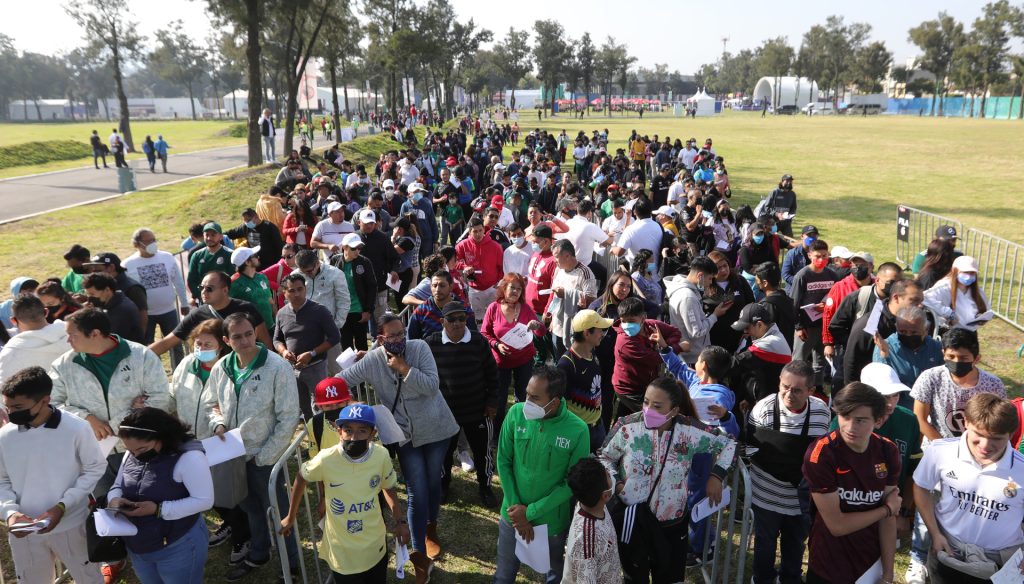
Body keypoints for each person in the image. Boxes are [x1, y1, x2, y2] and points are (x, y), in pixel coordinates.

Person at [340, 313, 458, 580]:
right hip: (404, 436)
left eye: (400, 333)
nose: (398, 339)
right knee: (416, 490)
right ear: (380, 338)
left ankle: (431, 527)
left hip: (436, 429)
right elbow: (342, 380)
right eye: (391, 335)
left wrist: (405, 368)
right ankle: (419, 555)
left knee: (432, 483)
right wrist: (345, 404)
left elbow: (432, 385)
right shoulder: (372, 360)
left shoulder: (419, 348)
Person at [599, 375, 735, 584]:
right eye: (646, 402)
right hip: (634, 521)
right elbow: (604, 457)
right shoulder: (627, 426)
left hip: (673, 522)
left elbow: (729, 444)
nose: (648, 410)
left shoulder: (690, 431)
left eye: (657, 406)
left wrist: (716, 476)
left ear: (674, 410)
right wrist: (617, 484)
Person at [207, 313, 301, 581]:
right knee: (250, 510)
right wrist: (217, 424)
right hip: (233, 455)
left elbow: (288, 416)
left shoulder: (276, 367)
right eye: (237, 336)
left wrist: (265, 457)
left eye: (249, 333)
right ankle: (259, 553)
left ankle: (292, 565)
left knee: (280, 514)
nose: (246, 340)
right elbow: (212, 403)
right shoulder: (221, 367)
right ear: (226, 340)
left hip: (265, 458)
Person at [279, 404, 410, 584]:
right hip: (342, 553)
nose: (354, 437)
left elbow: (388, 487)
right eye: (348, 430)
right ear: (339, 431)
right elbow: (302, 477)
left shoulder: (381, 456)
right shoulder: (326, 459)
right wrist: (290, 517)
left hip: (375, 546)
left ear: (373, 434)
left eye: (362, 431)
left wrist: (400, 521)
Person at [0, 366, 106, 584]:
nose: (10, 413)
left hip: (71, 525)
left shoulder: (77, 429)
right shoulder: (5, 435)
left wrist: (61, 507)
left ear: (45, 400)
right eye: (7, 407)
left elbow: (94, 468)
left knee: (89, 579)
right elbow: (2, 479)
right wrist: (10, 512)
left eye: (18, 407)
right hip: (24, 532)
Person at [912, 393, 1024, 584]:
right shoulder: (939, 451)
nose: (985, 445)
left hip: (1000, 563)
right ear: (966, 422)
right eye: (978, 435)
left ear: (1011, 434)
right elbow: (921, 487)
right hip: (947, 550)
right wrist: (935, 533)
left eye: (996, 438)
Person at [494, 365, 590, 584]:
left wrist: (531, 512)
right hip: (512, 515)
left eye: (534, 398)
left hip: (550, 523)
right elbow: (504, 461)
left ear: (554, 402)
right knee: (503, 575)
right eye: (527, 394)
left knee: (554, 575)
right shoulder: (515, 414)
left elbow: (571, 483)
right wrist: (517, 511)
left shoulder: (578, 430)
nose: (526, 402)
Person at [802, 382, 901, 584]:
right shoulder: (821, 454)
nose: (849, 427)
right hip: (828, 566)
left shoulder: (888, 452)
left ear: (879, 421)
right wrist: (885, 510)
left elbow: (888, 520)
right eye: (845, 416)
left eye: (860, 420)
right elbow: (837, 525)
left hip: (870, 566)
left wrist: (888, 575)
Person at [168, 318, 250, 559]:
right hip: (189, 442)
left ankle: (243, 536)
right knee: (203, 492)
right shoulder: (186, 364)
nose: (200, 349)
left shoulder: (228, 370)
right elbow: (174, 395)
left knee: (227, 493)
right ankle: (230, 524)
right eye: (197, 343)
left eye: (207, 344)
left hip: (219, 443)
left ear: (221, 345)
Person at [745, 360, 831, 584]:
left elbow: (820, 456)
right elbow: (751, 449)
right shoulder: (764, 409)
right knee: (764, 546)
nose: (788, 394)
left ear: (811, 391)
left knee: (795, 547)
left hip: (800, 501)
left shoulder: (821, 413)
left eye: (797, 390)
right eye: (784, 387)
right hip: (766, 497)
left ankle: (790, 578)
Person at [107, 408, 214, 584]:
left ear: (162, 437)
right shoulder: (133, 451)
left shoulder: (190, 458)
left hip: (178, 546)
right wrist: (114, 498)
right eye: (130, 451)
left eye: (142, 449)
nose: (135, 456)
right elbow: (118, 484)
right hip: (138, 546)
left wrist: (158, 509)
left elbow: (204, 500)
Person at [425, 301, 500, 507]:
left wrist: (492, 402)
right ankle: (443, 484)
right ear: (442, 322)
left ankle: (485, 487)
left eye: (462, 318)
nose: (457, 323)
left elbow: (493, 375)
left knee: (483, 452)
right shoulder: (431, 343)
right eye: (452, 319)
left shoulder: (478, 341)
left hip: (478, 410)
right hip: (444, 413)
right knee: (443, 453)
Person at [910, 327, 1006, 441]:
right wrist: (945, 446)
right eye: (951, 356)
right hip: (939, 446)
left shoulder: (993, 384)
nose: (956, 361)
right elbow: (920, 419)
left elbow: (999, 422)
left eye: (963, 358)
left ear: (977, 359)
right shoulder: (930, 378)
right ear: (943, 354)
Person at [149, 271, 271, 357]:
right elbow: (167, 342)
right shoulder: (197, 315)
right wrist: (138, 355)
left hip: (245, 368)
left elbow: (266, 342)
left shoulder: (246, 309)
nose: (203, 292)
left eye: (209, 289)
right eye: (202, 287)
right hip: (213, 373)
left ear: (225, 290)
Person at [274, 274, 341, 419]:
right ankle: (313, 437)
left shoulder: (320, 310)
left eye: (300, 289)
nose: (297, 294)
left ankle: (325, 436)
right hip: (293, 370)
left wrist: (312, 353)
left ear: (305, 289)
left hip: (316, 367)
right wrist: (284, 351)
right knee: (303, 407)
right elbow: (276, 340)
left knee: (321, 406)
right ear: (284, 292)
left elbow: (335, 337)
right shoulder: (281, 314)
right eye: (292, 291)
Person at [481, 273, 545, 423]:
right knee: (499, 398)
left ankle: (520, 427)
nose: (515, 291)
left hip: (524, 360)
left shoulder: (526, 308)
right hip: (500, 362)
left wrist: (537, 326)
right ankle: (497, 433)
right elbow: (484, 333)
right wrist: (497, 345)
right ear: (504, 288)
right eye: (512, 287)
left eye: (519, 289)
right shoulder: (493, 308)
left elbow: (541, 332)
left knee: (523, 396)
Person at [123, 227, 189, 368]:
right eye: (148, 241)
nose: (152, 243)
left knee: (176, 346)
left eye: (153, 240)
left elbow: (178, 281)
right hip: (145, 315)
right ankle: (155, 374)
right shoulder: (128, 265)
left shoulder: (167, 257)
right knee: (149, 349)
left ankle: (178, 371)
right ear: (137, 244)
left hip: (169, 311)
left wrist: (184, 303)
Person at [842, 279, 924, 384]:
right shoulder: (870, 324)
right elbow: (852, 361)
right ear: (896, 298)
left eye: (921, 301)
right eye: (914, 300)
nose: (920, 306)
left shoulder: (917, 321)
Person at [612, 297, 684, 417]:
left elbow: (675, 332)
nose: (626, 325)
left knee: (628, 418)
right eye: (623, 321)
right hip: (630, 390)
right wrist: (676, 347)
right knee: (650, 417)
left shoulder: (651, 325)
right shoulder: (625, 342)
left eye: (631, 320)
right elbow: (654, 359)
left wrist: (664, 344)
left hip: (645, 384)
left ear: (643, 317)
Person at [558, 309, 613, 450]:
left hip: (597, 426)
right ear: (587, 333)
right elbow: (560, 404)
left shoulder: (592, 352)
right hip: (579, 431)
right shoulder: (567, 364)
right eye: (599, 330)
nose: (602, 334)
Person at [562, 458, 622, 584]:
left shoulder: (591, 503)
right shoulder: (587, 541)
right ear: (605, 496)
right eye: (608, 475)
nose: (610, 474)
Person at [873, 305, 944, 410]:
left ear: (926, 329)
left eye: (914, 332)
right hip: (899, 411)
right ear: (897, 327)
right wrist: (884, 354)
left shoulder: (936, 348)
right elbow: (881, 383)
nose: (908, 335)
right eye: (903, 332)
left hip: (929, 411)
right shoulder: (886, 347)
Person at [789, 239, 836, 391]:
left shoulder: (832, 275)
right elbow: (794, 303)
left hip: (824, 326)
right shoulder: (802, 276)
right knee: (799, 361)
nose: (822, 260)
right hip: (806, 327)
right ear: (809, 255)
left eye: (825, 256)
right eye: (817, 256)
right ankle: (795, 387)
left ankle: (817, 390)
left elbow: (836, 298)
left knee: (820, 362)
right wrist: (798, 326)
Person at [665, 256, 732, 364]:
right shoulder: (687, 297)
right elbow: (697, 332)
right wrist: (715, 315)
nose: (711, 282)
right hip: (693, 359)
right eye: (710, 278)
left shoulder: (687, 291)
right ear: (700, 275)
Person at [294, 249, 350, 373]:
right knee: (310, 369)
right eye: (303, 272)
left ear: (317, 263)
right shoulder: (295, 275)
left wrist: (336, 325)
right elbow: (290, 300)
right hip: (304, 330)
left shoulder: (335, 274)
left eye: (309, 271)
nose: (307, 275)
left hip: (329, 331)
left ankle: (343, 390)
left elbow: (344, 301)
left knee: (336, 369)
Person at [731, 303, 793, 405]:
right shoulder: (771, 335)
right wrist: (748, 398)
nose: (745, 331)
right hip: (763, 400)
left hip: (768, 406)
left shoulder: (769, 343)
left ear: (759, 324)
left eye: (747, 327)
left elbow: (735, 363)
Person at [545, 240, 598, 358]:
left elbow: (592, 299)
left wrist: (566, 294)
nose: (554, 261)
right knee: (559, 361)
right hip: (558, 325)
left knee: (573, 362)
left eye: (556, 257)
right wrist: (551, 314)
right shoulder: (559, 269)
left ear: (567, 256)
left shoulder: (585, 273)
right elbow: (554, 294)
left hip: (575, 329)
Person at [0, 295, 69, 385]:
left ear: (13, 320)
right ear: (46, 312)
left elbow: (5, 390)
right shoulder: (74, 333)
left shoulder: (11, 353)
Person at [329, 233, 376, 352]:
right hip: (341, 311)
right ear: (344, 247)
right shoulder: (334, 260)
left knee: (361, 345)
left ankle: (363, 370)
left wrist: (368, 310)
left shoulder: (365, 262)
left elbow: (372, 287)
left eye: (359, 248)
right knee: (345, 346)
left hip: (359, 310)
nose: (357, 251)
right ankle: (348, 370)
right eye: (353, 248)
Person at [923, 255, 993, 332]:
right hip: (948, 331)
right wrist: (949, 313)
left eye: (972, 273)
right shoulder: (944, 286)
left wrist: (981, 318)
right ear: (955, 271)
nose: (969, 276)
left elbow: (987, 309)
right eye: (966, 272)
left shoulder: (977, 291)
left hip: (970, 332)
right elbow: (925, 298)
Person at [456, 217, 505, 321]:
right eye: (475, 231)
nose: (478, 234)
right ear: (470, 231)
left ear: (484, 230)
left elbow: (501, 267)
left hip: (492, 287)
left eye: (480, 230)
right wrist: (465, 267)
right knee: (477, 319)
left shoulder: (496, 246)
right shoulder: (462, 245)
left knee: (494, 317)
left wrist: (499, 282)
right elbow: (455, 262)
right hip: (474, 288)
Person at [229, 246, 276, 329]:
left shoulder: (262, 277)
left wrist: (277, 322)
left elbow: (270, 302)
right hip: (252, 332)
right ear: (247, 262)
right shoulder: (233, 283)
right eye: (255, 256)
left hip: (271, 327)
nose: (258, 257)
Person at [186, 222, 234, 301]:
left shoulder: (230, 254)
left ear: (221, 236)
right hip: (204, 301)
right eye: (207, 235)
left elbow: (234, 279)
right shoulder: (197, 255)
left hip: (224, 301)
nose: (209, 238)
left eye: (213, 235)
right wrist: (201, 296)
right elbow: (191, 280)